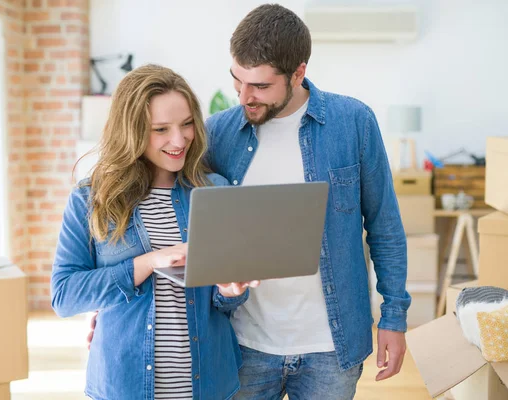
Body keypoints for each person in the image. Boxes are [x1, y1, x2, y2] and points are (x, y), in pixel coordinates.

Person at [203, 4, 411, 399]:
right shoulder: (218, 134)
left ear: (298, 73)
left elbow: (385, 227)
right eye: (237, 80)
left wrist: (394, 318)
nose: (244, 96)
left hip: (331, 349)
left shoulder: (353, 122)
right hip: (243, 346)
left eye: (260, 86)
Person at [51, 64, 257, 400]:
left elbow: (223, 302)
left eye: (187, 124)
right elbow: (64, 296)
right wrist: (146, 263)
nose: (179, 140)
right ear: (131, 131)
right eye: (161, 129)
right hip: (125, 386)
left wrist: (231, 290)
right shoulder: (91, 199)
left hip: (208, 385)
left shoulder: (215, 191)